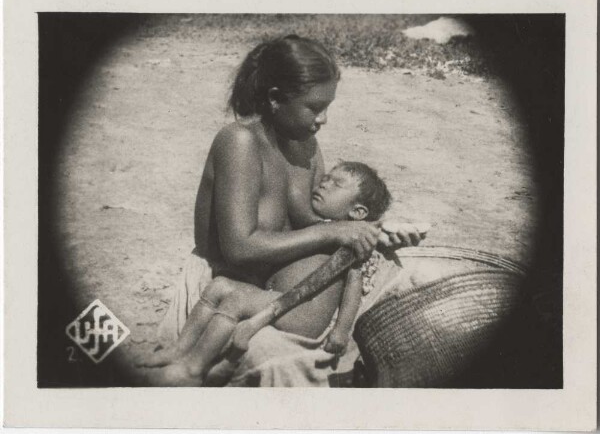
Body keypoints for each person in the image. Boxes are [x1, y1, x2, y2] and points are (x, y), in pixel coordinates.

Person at [153, 34, 423, 385]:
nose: (323, 118)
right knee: (277, 366)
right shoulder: (239, 142)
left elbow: (319, 220)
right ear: (276, 99)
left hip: (278, 292)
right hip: (223, 292)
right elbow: (240, 248)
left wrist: (377, 231)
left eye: (328, 107)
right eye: (314, 107)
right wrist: (331, 232)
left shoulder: (306, 145)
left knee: (405, 280)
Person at [142, 162, 397, 385]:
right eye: (325, 178)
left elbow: (354, 283)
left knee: (237, 300)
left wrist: (341, 331)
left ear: (358, 212)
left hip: (304, 316)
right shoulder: (312, 225)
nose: (324, 184)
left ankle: (193, 369)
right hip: (279, 299)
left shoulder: (352, 239)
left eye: (337, 184)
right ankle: (178, 350)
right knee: (219, 285)